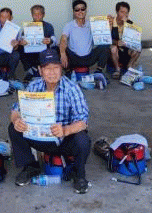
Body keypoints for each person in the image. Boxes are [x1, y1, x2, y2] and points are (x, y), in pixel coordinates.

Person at [8, 49, 91, 194]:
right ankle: (30, 166)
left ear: (61, 69)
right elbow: (16, 110)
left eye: (56, 67)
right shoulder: (34, 86)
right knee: (13, 128)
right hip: (38, 137)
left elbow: (83, 121)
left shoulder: (72, 88)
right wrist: (16, 120)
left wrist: (65, 130)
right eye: (47, 68)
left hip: (63, 140)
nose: (52, 72)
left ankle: (79, 175)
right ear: (40, 71)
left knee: (83, 139)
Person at [59, 0, 109, 75]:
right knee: (59, 47)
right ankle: (68, 72)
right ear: (73, 12)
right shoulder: (69, 25)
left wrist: (108, 24)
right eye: (77, 10)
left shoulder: (92, 24)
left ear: (86, 10)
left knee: (106, 46)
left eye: (82, 9)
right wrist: (62, 53)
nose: (80, 11)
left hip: (89, 58)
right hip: (74, 58)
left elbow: (104, 37)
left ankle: (99, 71)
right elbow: (63, 39)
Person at [18, 4, 56, 82]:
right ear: (32, 15)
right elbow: (22, 38)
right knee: (19, 48)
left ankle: (39, 71)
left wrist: (50, 40)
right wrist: (22, 42)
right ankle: (30, 70)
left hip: (44, 50)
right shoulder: (27, 26)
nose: (37, 16)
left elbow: (54, 39)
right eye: (35, 14)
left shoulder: (48, 26)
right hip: (31, 51)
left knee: (55, 49)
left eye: (39, 14)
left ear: (43, 14)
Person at [109, 1, 141, 79]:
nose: (124, 15)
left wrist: (127, 26)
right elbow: (106, 39)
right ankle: (117, 69)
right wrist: (116, 42)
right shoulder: (110, 22)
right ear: (117, 12)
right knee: (113, 48)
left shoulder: (130, 23)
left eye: (126, 13)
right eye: (122, 12)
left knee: (138, 47)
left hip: (126, 51)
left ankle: (130, 66)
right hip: (114, 53)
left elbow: (134, 41)